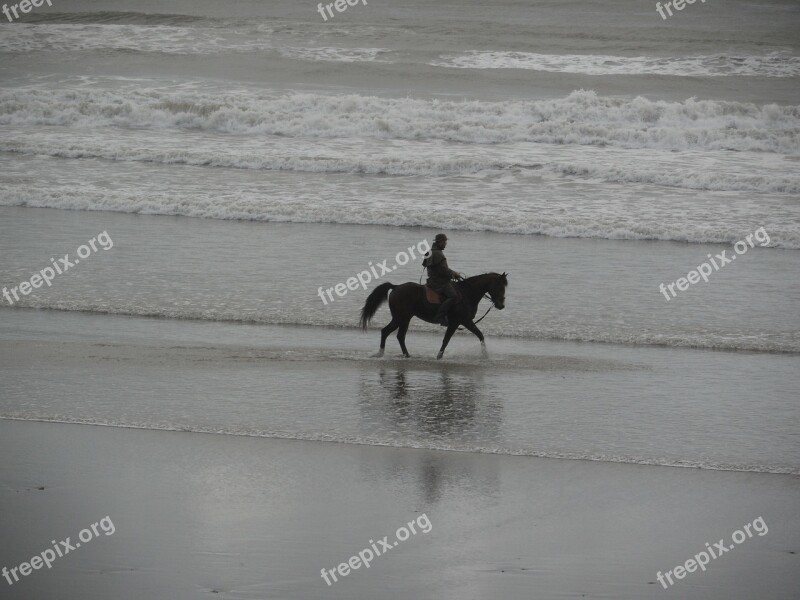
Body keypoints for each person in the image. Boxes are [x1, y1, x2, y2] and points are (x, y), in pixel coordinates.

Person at [422, 233, 464, 326]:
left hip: (433, 280)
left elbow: (440, 269)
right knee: (453, 296)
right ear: (440, 242)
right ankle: (440, 317)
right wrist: (454, 274)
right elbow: (444, 270)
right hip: (439, 282)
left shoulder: (431, 251)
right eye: (445, 242)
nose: (446, 244)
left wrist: (453, 273)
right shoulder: (438, 254)